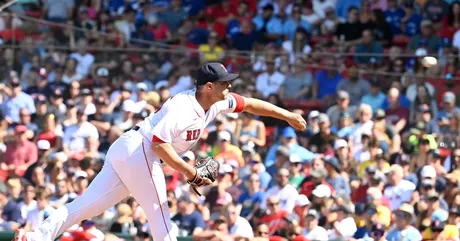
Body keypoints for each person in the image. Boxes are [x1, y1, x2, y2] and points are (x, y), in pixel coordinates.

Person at [14, 62, 306, 241]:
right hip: (141, 149)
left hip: (130, 150)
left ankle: (34, 237)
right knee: (160, 214)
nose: (229, 87)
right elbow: (158, 143)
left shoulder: (215, 102)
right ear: (208, 86)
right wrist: (191, 172)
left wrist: (288, 116)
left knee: (88, 205)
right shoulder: (183, 108)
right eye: (224, 83)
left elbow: (251, 104)